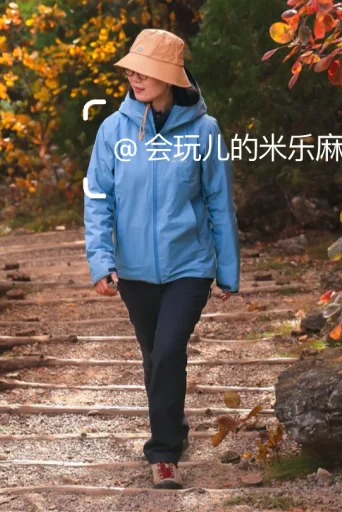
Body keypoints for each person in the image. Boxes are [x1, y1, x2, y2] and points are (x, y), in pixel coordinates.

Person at [83, 27, 240, 490]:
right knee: (155, 357)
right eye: (131, 68)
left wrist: (226, 271)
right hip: (132, 271)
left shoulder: (205, 132)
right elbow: (98, 198)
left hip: (189, 266)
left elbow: (218, 202)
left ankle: (164, 452)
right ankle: (174, 431)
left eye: (145, 69)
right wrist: (101, 260)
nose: (135, 76)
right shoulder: (113, 130)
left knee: (169, 350)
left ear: (171, 76)